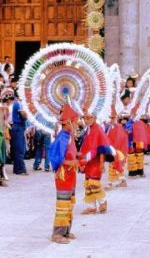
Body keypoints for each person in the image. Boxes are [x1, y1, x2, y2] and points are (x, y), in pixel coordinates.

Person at [49, 103, 79, 244]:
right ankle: (57, 234)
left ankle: (65, 231)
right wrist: (69, 163)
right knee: (63, 204)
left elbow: (70, 154)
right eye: (74, 121)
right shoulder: (62, 138)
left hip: (71, 175)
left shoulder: (69, 136)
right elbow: (55, 157)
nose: (77, 123)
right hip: (64, 176)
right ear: (67, 123)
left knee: (69, 203)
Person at [79, 112, 116, 214]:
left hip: (96, 160)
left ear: (94, 118)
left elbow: (102, 147)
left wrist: (101, 163)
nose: (86, 120)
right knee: (87, 183)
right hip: (88, 161)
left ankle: (102, 201)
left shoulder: (98, 129)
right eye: (85, 118)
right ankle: (91, 206)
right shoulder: (88, 130)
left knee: (94, 183)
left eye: (88, 118)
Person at [104, 106, 128, 190]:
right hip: (113, 148)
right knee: (116, 165)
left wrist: (113, 150)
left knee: (114, 165)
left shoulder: (118, 127)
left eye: (113, 118)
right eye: (110, 118)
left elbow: (119, 139)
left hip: (117, 149)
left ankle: (110, 183)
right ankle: (123, 181)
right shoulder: (110, 126)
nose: (111, 119)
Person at [11, 91, 28, 175]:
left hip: (16, 127)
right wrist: (27, 115)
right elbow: (23, 115)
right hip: (18, 127)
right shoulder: (18, 103)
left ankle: (16, 169)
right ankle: (21, 169)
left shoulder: (15, 103)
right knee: (20, 149)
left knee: (17, 149)